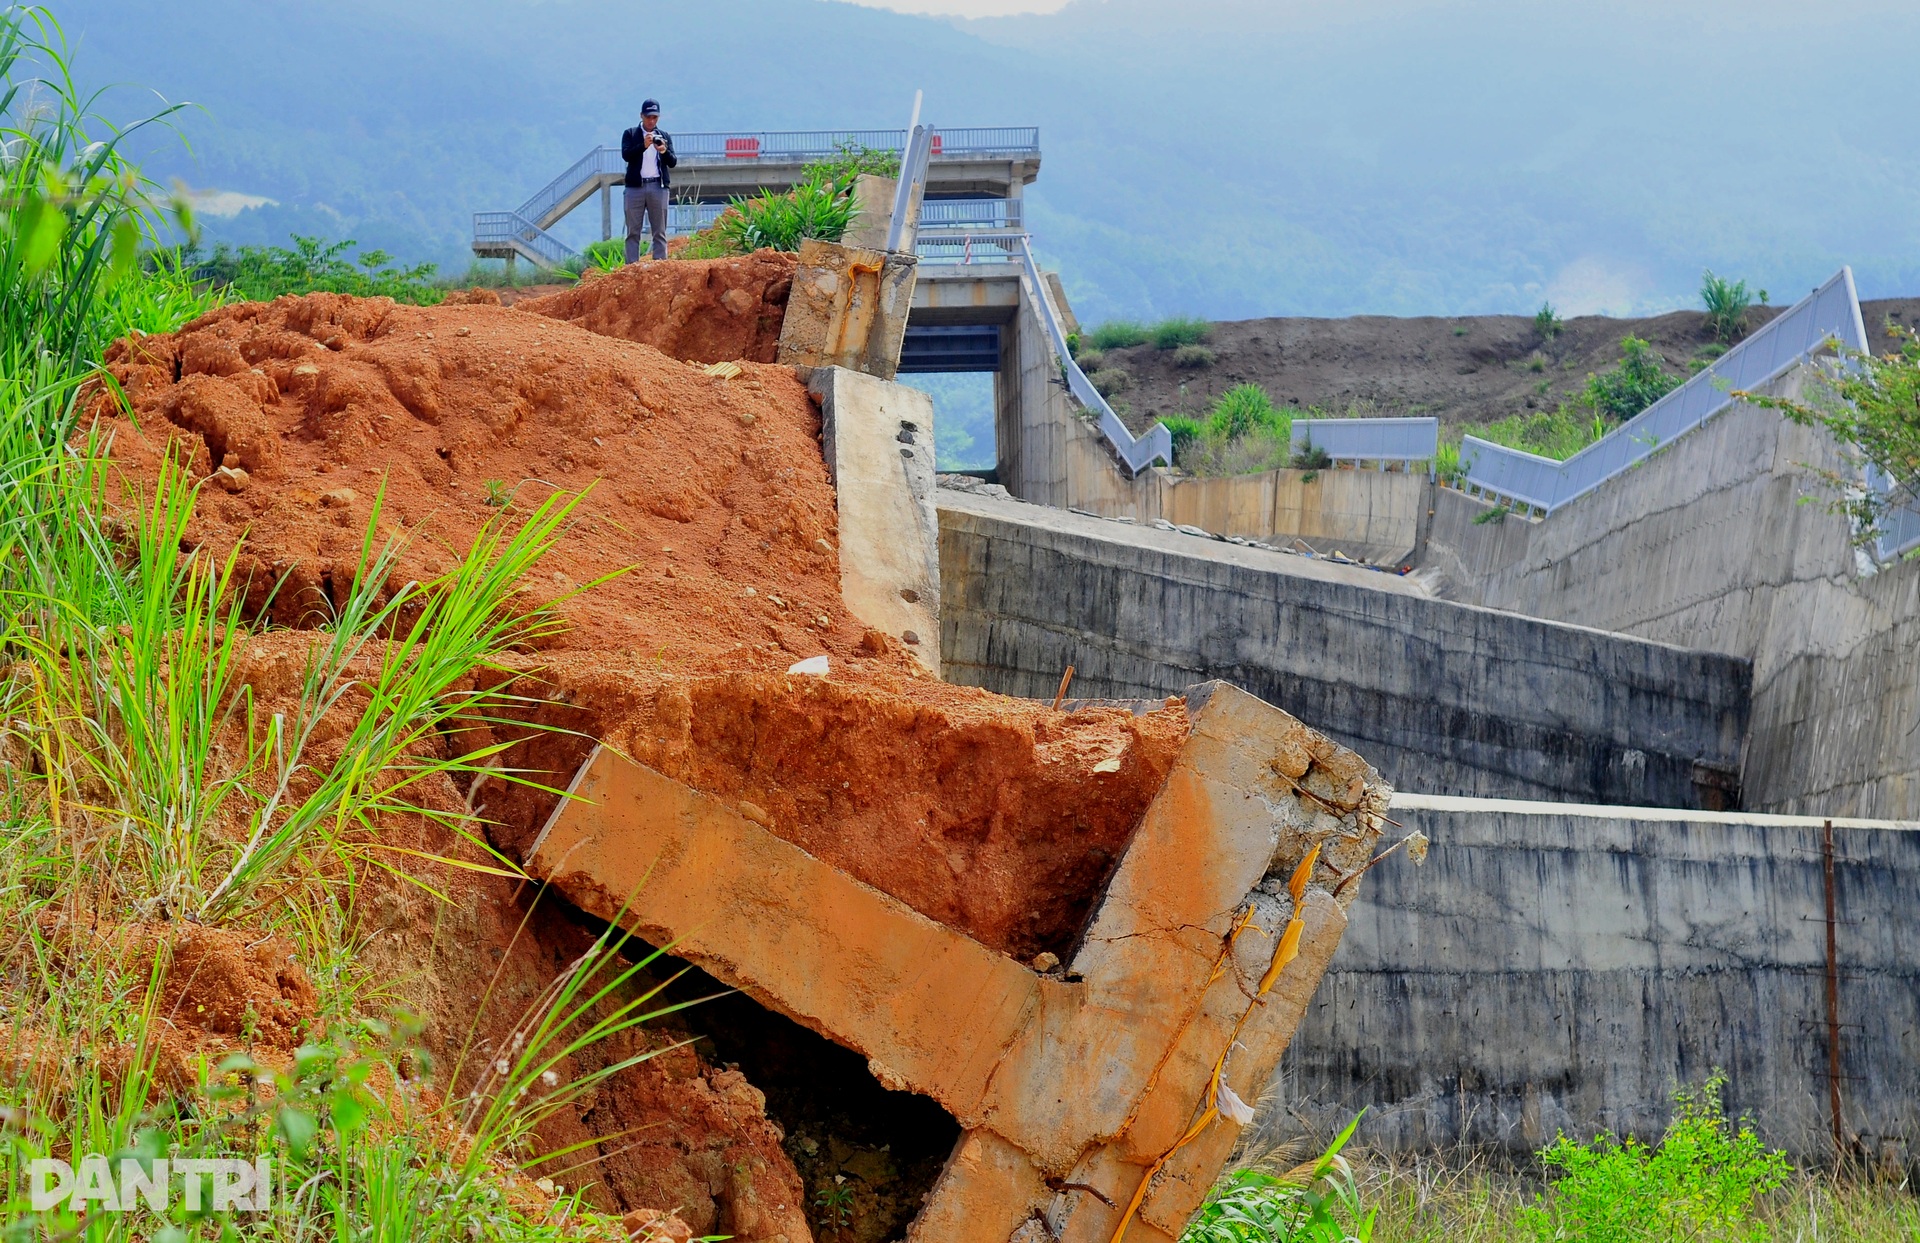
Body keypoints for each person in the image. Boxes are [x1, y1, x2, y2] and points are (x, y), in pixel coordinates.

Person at [621, 100, 677, 262]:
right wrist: (643, 145)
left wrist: (664, 151)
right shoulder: (631, 134)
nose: (651, 121)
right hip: (635, 188)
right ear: (641, 116)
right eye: (648, 117)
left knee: (659, 230)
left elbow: (673, 162)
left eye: (655, 117)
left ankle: (660, 264)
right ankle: (632, 266)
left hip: (658, 186)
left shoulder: (664, 136)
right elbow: (626, 155)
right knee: (633, 231)